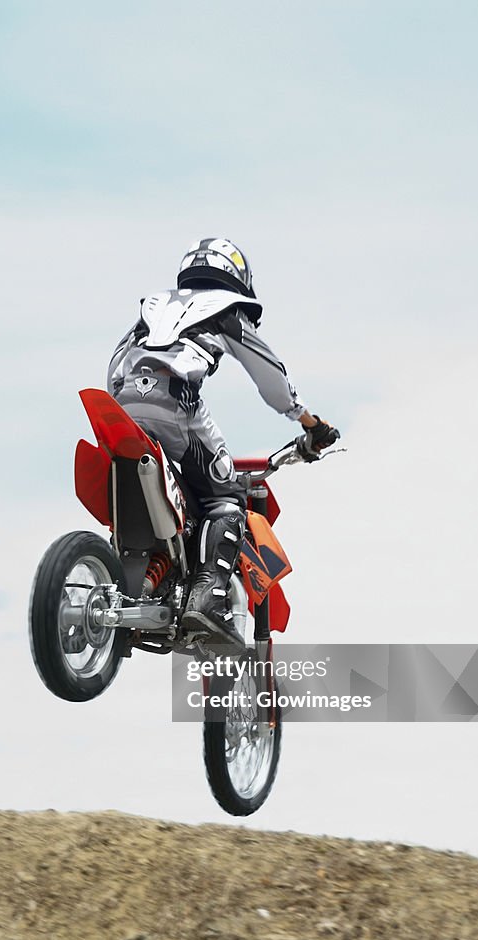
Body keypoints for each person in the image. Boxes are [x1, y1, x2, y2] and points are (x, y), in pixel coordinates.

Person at [107, 237, 339, 645]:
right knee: (224, 497)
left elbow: (117, 360)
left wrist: (124, 405)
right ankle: (208, 597)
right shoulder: (224, 309)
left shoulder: (156, 305)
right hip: (175, 402)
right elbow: (269, 373)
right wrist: (308, 421)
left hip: (121, 403)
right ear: (236, 277)